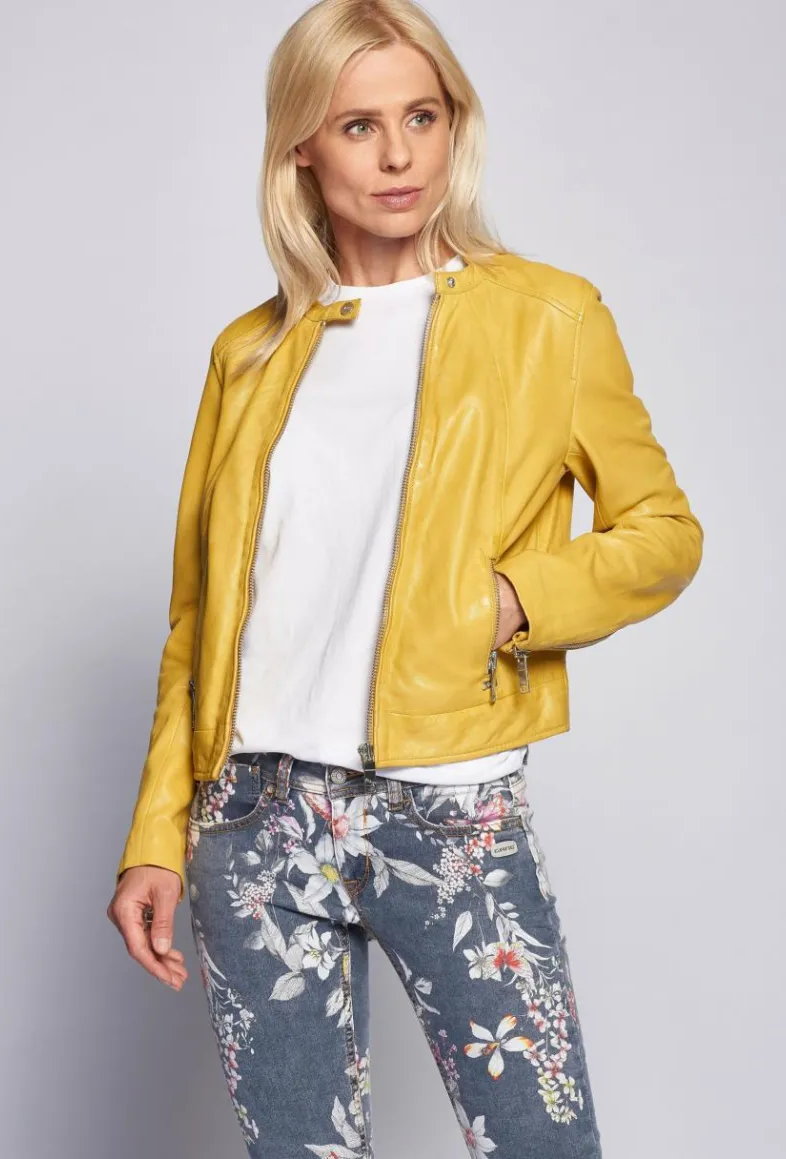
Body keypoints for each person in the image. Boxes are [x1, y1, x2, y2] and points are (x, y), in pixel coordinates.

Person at [106, 2, 703, 1155]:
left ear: (451, 125)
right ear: (301, 148)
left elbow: (663, 531)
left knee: (540, 1143)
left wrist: (513, 600)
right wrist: (155, 834)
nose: (396, 155)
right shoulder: (249, 354)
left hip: (448, 809)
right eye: (358, 125)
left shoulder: (548, 318)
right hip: (255, 818)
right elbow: (199, 619)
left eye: (421, 117)